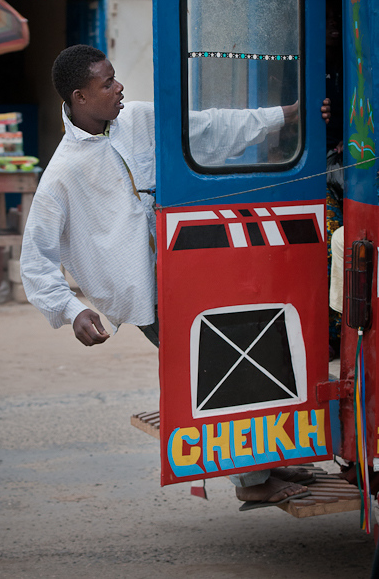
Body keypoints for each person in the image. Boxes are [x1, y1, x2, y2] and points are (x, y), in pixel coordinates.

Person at [21, 44, 331, 507]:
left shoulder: (138, 120)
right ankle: (253, 482)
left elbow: (211, 125)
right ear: (79, 98)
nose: (119, 87)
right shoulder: (62, 173)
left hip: (192, 267)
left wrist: (287, 114)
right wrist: (69, 309)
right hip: (148, 298)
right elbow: (35, 259)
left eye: (115, 77)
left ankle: (268, 459)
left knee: (254, 354)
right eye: (107, 83)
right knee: (223, 372)